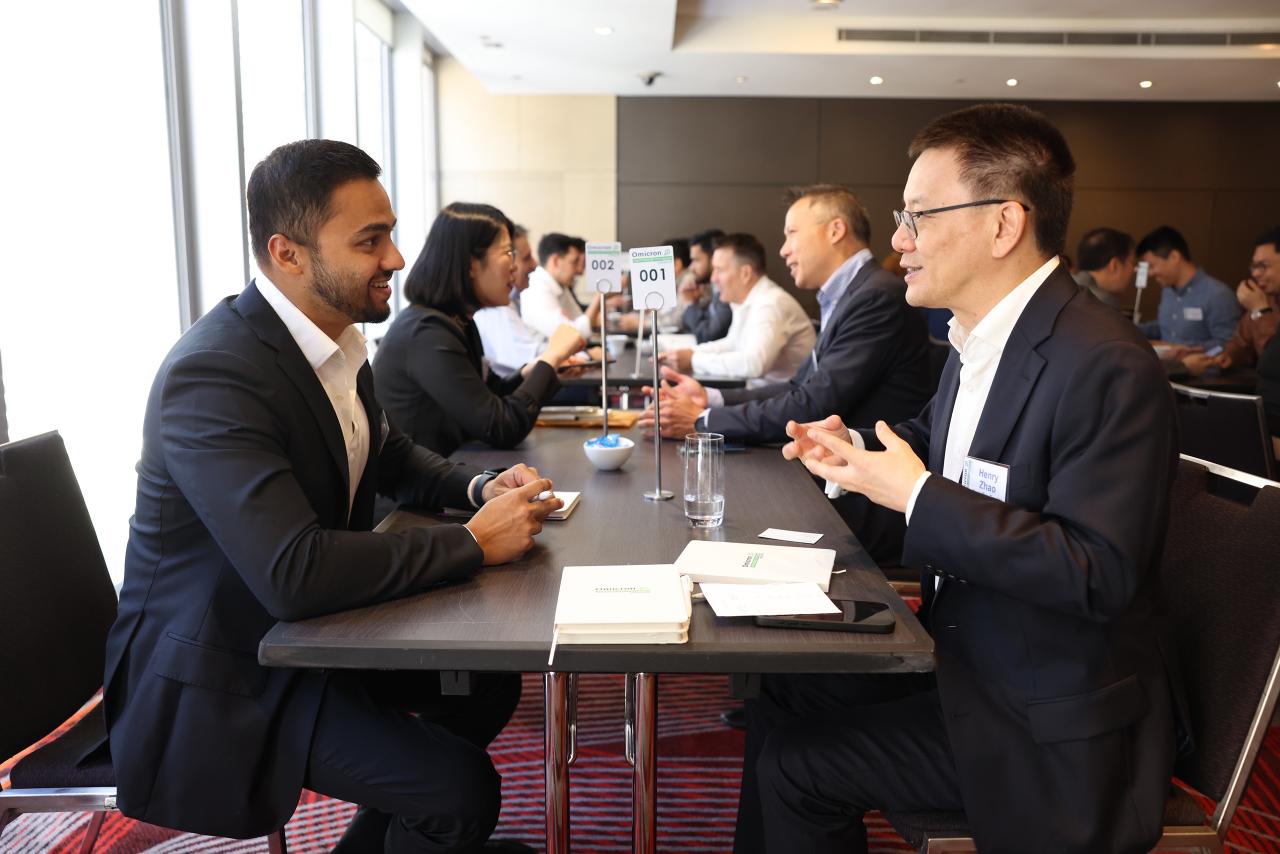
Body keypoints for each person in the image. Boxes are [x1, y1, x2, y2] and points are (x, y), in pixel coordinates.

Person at [739, 105, 1184, 854]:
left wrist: (914, 494)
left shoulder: (1106, 363)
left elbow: (1097, 571)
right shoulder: (982, 338)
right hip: (967, 662)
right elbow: (935, 450)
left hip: (1046, 720)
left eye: (917, 217)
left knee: (794, 765)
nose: (900, 242)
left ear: (1004, 224)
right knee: (780, 684)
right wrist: (854, 453)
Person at [102, 140, 559, 853]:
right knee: (460, 789)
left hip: (311, 638)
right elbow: (294, 573)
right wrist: (473, 541)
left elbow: (388, 453)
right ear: (287, 254)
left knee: (486, 684)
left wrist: (478, 487)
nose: (396, 259)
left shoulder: (335, 343)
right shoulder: (215, 374)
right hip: (229, 673)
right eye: (370, 241)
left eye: (391, 234)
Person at [373, 203, 586, 458]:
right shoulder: (426, 332)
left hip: (455, 467)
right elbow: (502, 427)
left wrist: (538, 368)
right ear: (471, 263)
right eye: (508, 253)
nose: (515, 267)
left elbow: (490, 393)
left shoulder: (458, 321)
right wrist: (551, 356)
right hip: (423, 482)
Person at [658, 233, 815, 387]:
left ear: (745, 274)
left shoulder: (770, 304)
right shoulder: (747, 301)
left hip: (779, 399)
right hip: (759, 393)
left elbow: (754, 364)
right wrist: (688, 353)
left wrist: (693, 360)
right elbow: (732, 343)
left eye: (719, 270)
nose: (713, 279)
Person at [1184, 226, 1280, 375]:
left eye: (1263, 266)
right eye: (1254, 266)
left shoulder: (1260, 303)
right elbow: (1242, 342)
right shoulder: (1268, 297)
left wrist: (1260, 311)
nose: (1255, 273)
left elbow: (1274, 363)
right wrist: (1229, 356)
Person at [1136, 225, 1239, 352]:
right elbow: (1166, 328)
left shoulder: (1218, 295)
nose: (1150, 273)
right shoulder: (1167, 291)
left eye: (1152, 266)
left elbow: (1228, 346)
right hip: (1165, 364)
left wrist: (1183, 349)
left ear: (1174, 257)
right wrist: (1129, 328)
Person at [473, 224, 548, 375]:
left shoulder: (512, 300)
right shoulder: (497, 307)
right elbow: (530, 357)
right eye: (526, 258)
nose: (535, 264)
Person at [520, 232, 601, 340]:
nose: (579, 270)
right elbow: (572, 336)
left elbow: (579, 319)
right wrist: (599, 296)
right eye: (574, 262)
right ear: (556, 261)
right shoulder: (536, 290)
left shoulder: (560, 286)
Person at [683, 228, 733, 342]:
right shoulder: (711, 288)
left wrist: (690, 304)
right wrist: (694, 302)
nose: (691, 268)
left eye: (696, 260)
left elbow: (708, 335)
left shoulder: (728, 290)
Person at [1074, 226, 1135, 310]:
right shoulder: (1104, 304)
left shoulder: (1066, 285)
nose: (1133, 270)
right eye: (1132, 263)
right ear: (1114, 265)